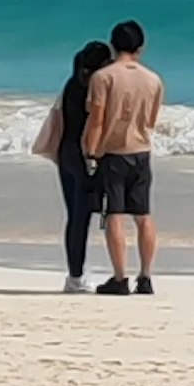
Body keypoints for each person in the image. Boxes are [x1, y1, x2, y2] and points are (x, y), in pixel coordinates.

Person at [83, 17, 165, 290]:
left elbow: (96, 119)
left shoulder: (103, 77)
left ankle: (120, 277)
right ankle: (146, 276)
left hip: (113, 152)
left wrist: (90, 152)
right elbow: (152, 120)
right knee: (143, 215)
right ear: (140, 47)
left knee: (115, 214)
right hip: (141, 151)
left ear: (113, 45)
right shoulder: (153, 80)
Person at [30, 38, 108, 289]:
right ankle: (80, 274)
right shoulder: (95, 89)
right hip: (85, 153)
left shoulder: (72, 84)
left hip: (67, 153)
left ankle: (75, 273)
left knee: (76, 215)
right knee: (88, 214)